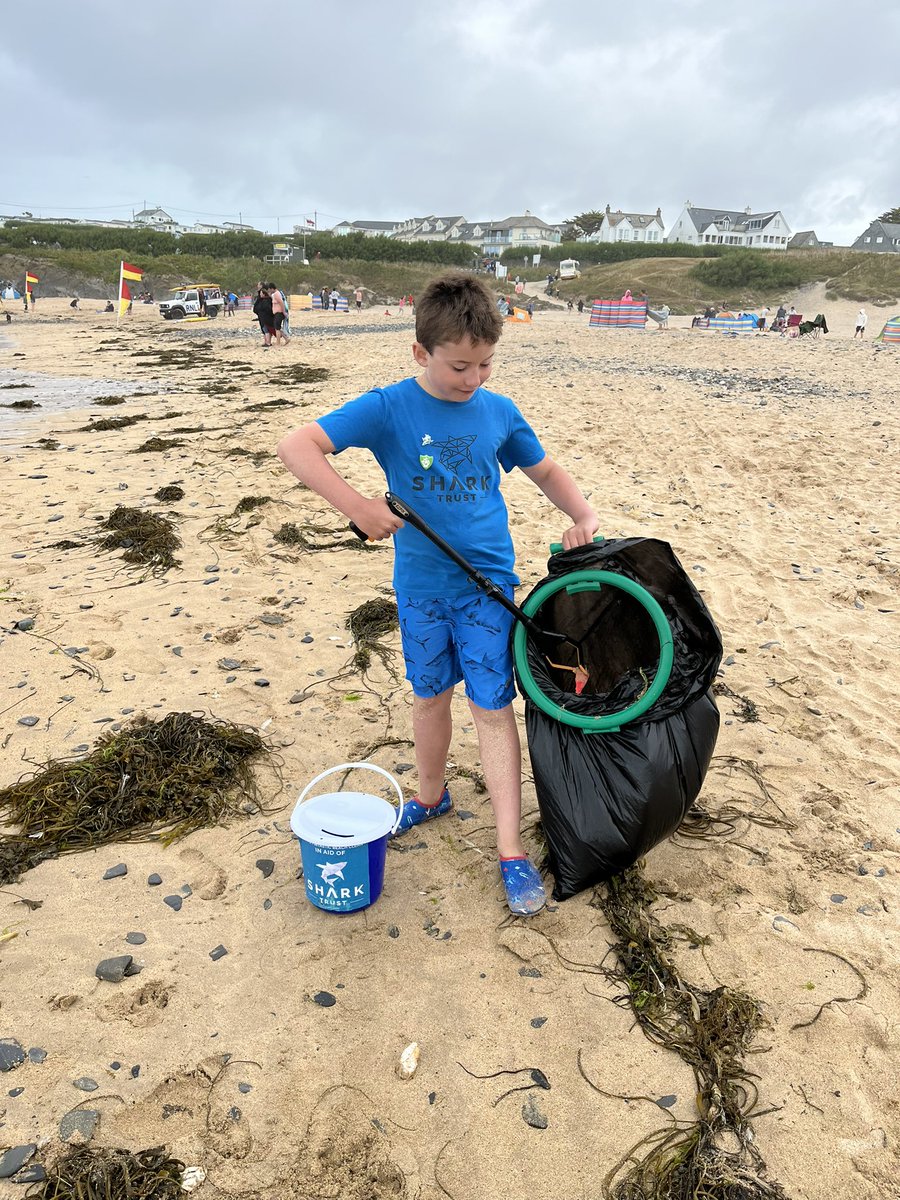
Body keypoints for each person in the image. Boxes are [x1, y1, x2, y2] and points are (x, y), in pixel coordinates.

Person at [276, 271, 599, 916]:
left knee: (491, 709)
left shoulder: (498, 411)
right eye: (459, 366)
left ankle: (509, 848)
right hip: (420, 589)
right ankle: (429, 795)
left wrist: (582, 515)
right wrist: (358, 506)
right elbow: (298, 445)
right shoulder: (390, 407)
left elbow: (546, 470)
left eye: (484, 364)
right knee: (428, 698)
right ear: (421, 352)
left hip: (489, 587)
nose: (473, 378)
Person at [269, 282, 290, 346]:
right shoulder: (275, 294)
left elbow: (281, 303)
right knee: (277, 327)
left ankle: (278, 342)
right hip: (277, 313)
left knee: (277, 329)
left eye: (270, 289)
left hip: (279, 313)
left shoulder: (276, 294)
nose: (269, 291)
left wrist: (283, 312)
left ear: (272, 288)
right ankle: (286, 338)